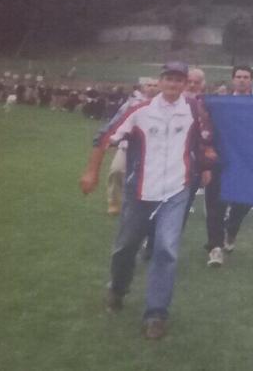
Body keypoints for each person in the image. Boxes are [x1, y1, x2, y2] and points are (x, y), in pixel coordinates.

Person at [79, 61, 217, 340]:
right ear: (160, 80)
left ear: (184, 83)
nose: (174, 84)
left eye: (180, 80)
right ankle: (118, 288)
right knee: (125, 246)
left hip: (176, 190)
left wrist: (206, 163)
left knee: (166, 249)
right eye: (169, 79)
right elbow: (104, 138)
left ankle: (156, 314)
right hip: (140, 190)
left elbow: (204, 140)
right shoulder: (138, 110)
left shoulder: (193, 109)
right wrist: (91, 172)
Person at [204, 65, 253, 266]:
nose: (242, 80)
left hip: (246, 163)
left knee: (243, 203)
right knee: (215, 204)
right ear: (233, 80)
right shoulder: (220, 103)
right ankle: (215, 247)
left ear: (251, 81)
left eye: (246, 77)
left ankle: (231, 230)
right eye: (239, 77)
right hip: (221, 160)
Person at [103, 78, 159, 216]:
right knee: (116, 170)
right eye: (149, 85)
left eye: (155, 85)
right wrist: (110, 139)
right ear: (142, 87)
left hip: (151, 148)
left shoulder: (162, 105)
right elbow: (117, 120)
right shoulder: (132, 103)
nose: (152, 88)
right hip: (126, 145)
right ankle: (114, 202)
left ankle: (140, 207)